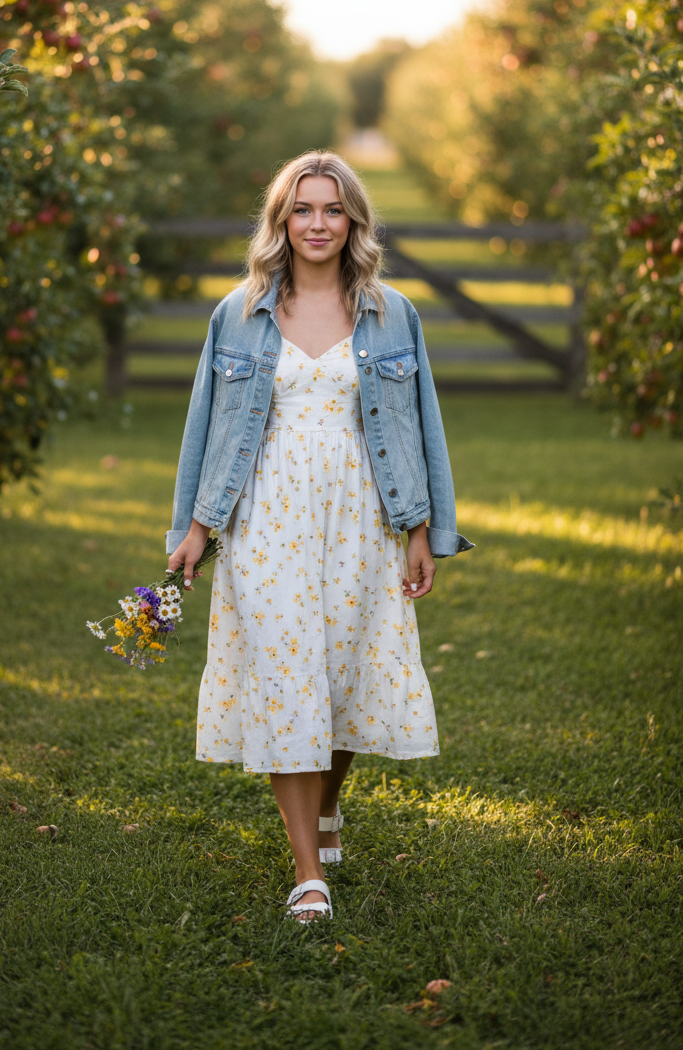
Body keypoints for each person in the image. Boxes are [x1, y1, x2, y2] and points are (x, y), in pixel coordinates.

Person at [166, 150, 473, 923]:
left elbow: (423, 422)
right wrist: (193, 531)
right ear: (281, 220)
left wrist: (425, 530)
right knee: (287, 678)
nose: (317, 223)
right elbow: (205, 429)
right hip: (266, 518)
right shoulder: (237, 313)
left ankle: (328, 802)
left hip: (363, 517)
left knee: (343, 675)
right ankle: (309, 871)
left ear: (353, 222)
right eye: (302, 209)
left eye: (332, 209)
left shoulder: (390, 312)